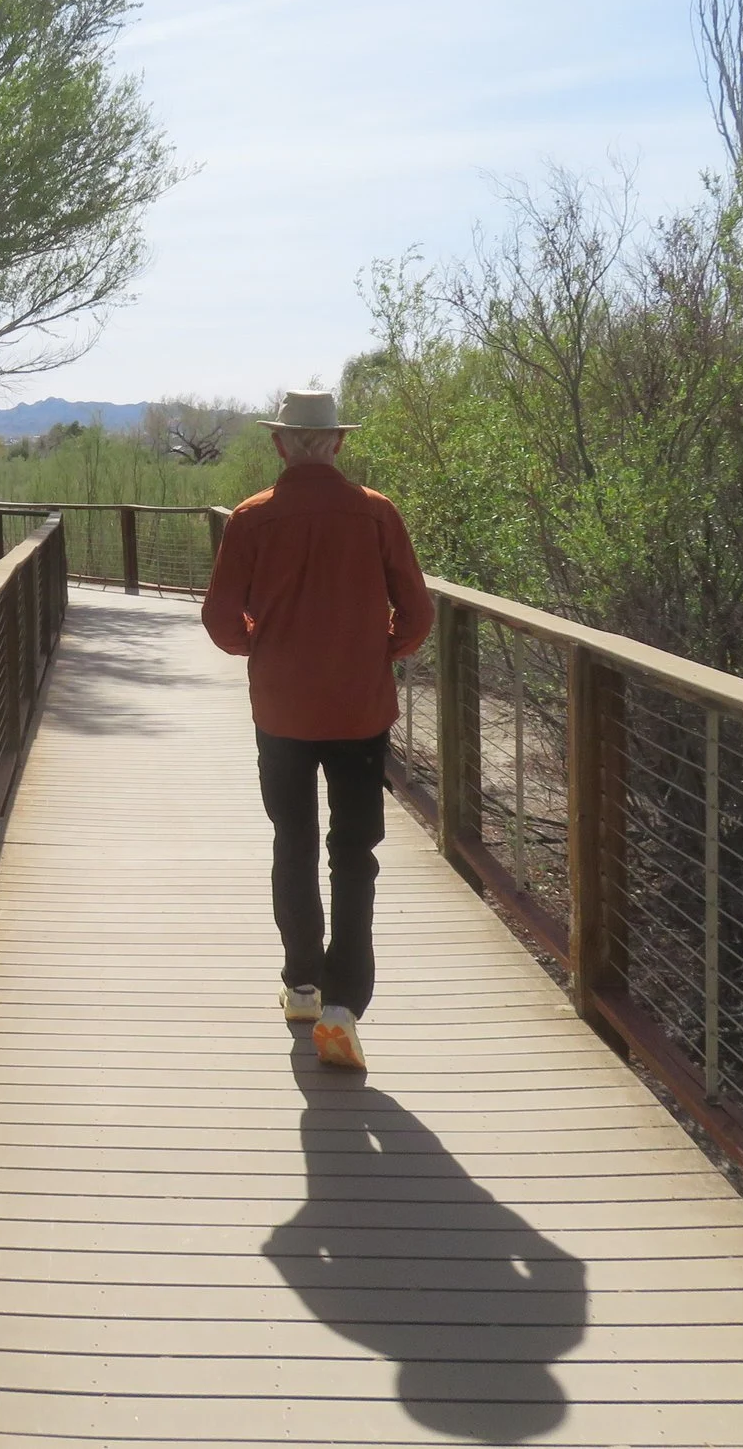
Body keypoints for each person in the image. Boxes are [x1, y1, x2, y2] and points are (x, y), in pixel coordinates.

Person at [200, 390, 434, 1071]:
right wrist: (374, 650)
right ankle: (342, 1006)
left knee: (293, 840)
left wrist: (264, 647)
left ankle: (301, 984)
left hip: (281, 711)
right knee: (354, 852)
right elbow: (416, 614)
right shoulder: (375, 512)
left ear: (280, 445)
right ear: (335, 443)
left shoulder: (251, 519)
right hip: (360, 710)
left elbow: (219, 620)